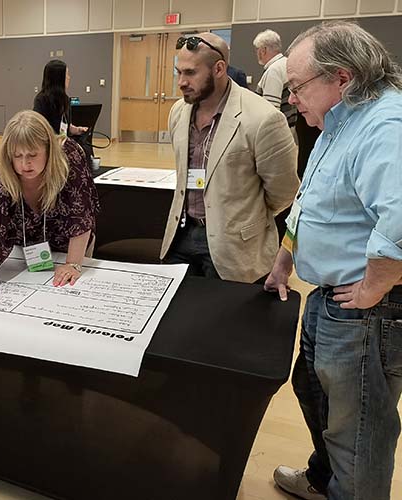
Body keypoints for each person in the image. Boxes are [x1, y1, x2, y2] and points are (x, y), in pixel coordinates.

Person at [264, 21, 402, 500]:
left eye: (298, 86)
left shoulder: (385, 124)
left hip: (365, 309)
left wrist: (374, 287)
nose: (292, 99)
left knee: (358, 433)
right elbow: (309, 204)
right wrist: (285, 258)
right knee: (314, 393)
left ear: (341, 78)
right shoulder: (335, 123)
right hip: (330, 299)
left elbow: (400, 217)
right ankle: (324, 483)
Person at [161, 33, 298, 283]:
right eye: (178, 72)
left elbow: (283, 192)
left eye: (190, 73)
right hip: (181, 236)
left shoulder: (262, 118)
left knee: (222, 318)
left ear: (219, 68)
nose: (181, 82)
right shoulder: (178, 112)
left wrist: (240, 215)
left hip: (234, 247)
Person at [0, 111, 98, 306]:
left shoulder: (69, 159)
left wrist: (73, 264)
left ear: (48, 149)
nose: (24, 164)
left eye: (32, 155)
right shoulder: (1, 182)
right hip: (28, 252)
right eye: (17, 156)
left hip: (71, 246)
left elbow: (81, 216)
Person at [253, 29, 296, 128]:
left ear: (263, 50)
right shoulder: (287, 63)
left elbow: (271, 111)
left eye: (257, 50)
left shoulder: (273, 71)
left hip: (278, 130)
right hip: (290, 125)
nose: (257, 54)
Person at [33, 59, 88, 137]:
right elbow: (38, 129)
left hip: (63, 143)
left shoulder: (65, 99)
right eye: (66, 75)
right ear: (59, 79)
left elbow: (65, 126)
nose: (69, 78)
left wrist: (76, 130)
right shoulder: (42, 100)